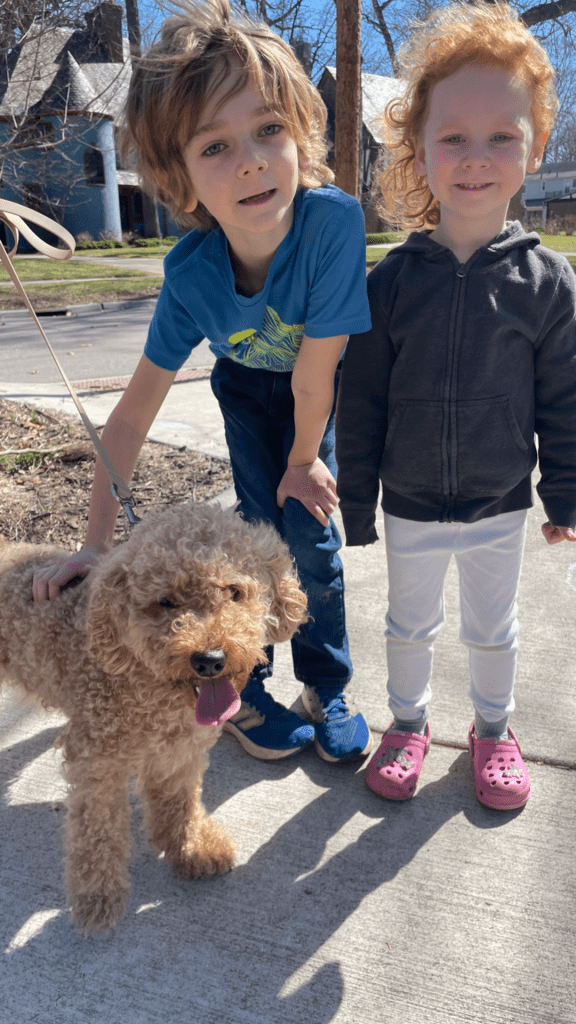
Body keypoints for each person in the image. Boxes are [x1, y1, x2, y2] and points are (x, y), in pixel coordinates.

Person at [33, 0, 374, 765]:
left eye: (268, 130)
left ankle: (327, 683)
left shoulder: (332, 225)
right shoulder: (191, 277)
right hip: (249, 394)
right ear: (177, 176)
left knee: (311, 544)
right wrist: (93, 550)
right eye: (215, 146)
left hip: (316, 400)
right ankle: (241, 692)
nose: (251, 159)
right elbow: (128, 418)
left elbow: (318, 371)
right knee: (251, 550)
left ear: (301, 136)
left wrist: (305, 460)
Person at [335, 1, 576, 809]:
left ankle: (494, 730)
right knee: (408, 627)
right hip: (408, 500)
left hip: (499, 502)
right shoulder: (391, 283)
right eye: (453, 137)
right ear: (420, 148)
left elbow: (565, 399)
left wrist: (566, 493)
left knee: (493, 628)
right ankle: (407, 724)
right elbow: (361, 399)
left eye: (501, 136)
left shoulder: (548, 285)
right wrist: (359, 501)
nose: (477, 157)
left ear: (534, 147)